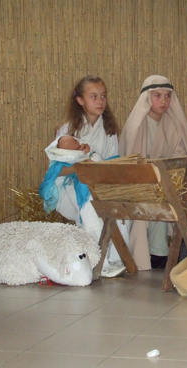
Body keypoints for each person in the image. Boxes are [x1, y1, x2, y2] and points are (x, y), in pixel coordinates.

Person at [119, 75, 187, 270]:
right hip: (140, 185)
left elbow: (181, 156)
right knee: (157, 204)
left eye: (168, 96)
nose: (163, 101)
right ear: (147, 97)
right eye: (158, 95)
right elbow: (131, 162)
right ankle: (156, 255)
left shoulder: (173, 124)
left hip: (168, 181)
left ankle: (168, 251)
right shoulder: (136, 126)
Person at [46, 76, 128, 278]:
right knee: (92, 206)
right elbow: (56, 169)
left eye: (103, 96)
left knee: (121, 203)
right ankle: (98, 260)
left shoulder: (108, 130)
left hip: (100, 183)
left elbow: (111, 162)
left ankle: (118, 258)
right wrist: (82, 166)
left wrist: (99, 168)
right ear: (80, 100)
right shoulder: (68, 130)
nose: (100, 101)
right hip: (69, 186)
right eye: (94, 96)